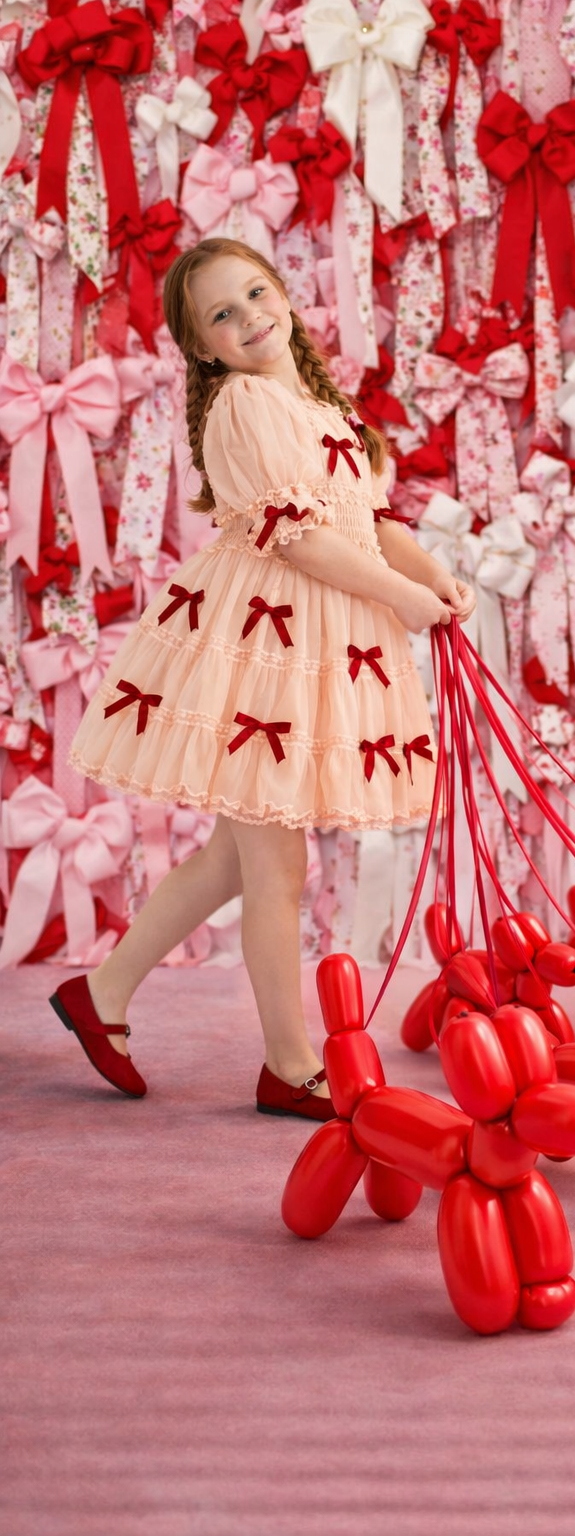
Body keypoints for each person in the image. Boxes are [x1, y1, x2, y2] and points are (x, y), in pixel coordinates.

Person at [54, 238, 475, 1121]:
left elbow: (366, 521)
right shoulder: (242, 404)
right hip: (263, 649)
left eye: (256, 293)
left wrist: (431, 575)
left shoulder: (319, 404)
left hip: (314, 647)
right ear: (204, 347)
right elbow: (299, 539)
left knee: (234, 859)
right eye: (223, 314)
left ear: (282, 292)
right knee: (277, 865)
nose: (250, 318)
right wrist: (401, 599)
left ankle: (102, 997)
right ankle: (289, 1062)